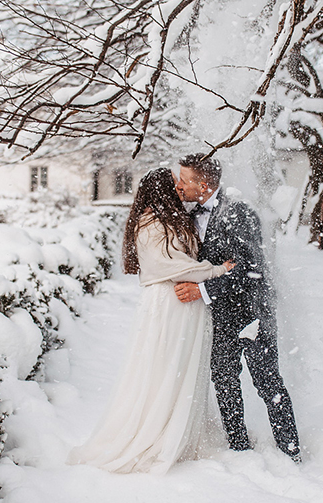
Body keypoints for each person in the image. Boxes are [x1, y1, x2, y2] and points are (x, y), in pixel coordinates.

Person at [67, 167, 234, 474]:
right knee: (165, 368)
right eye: (175, 183)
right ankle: (159, 432)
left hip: (183, 304)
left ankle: (177, 428)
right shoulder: (152, 223)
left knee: (179, 368)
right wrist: (219, 270)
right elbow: (177, 267)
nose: (181, 186)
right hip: (171, 304)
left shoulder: (168, 220)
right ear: (162, 191)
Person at [174, 153, 301, 462]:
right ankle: (239, 448)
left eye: (184, 179)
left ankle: (291, 452)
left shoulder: (239, 212)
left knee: (268, 383)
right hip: (219, 316)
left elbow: (249, 269)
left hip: (252, 313)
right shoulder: (191, 216)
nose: (178, 185)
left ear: (203, 184)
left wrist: (202, 289)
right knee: (225, 382)